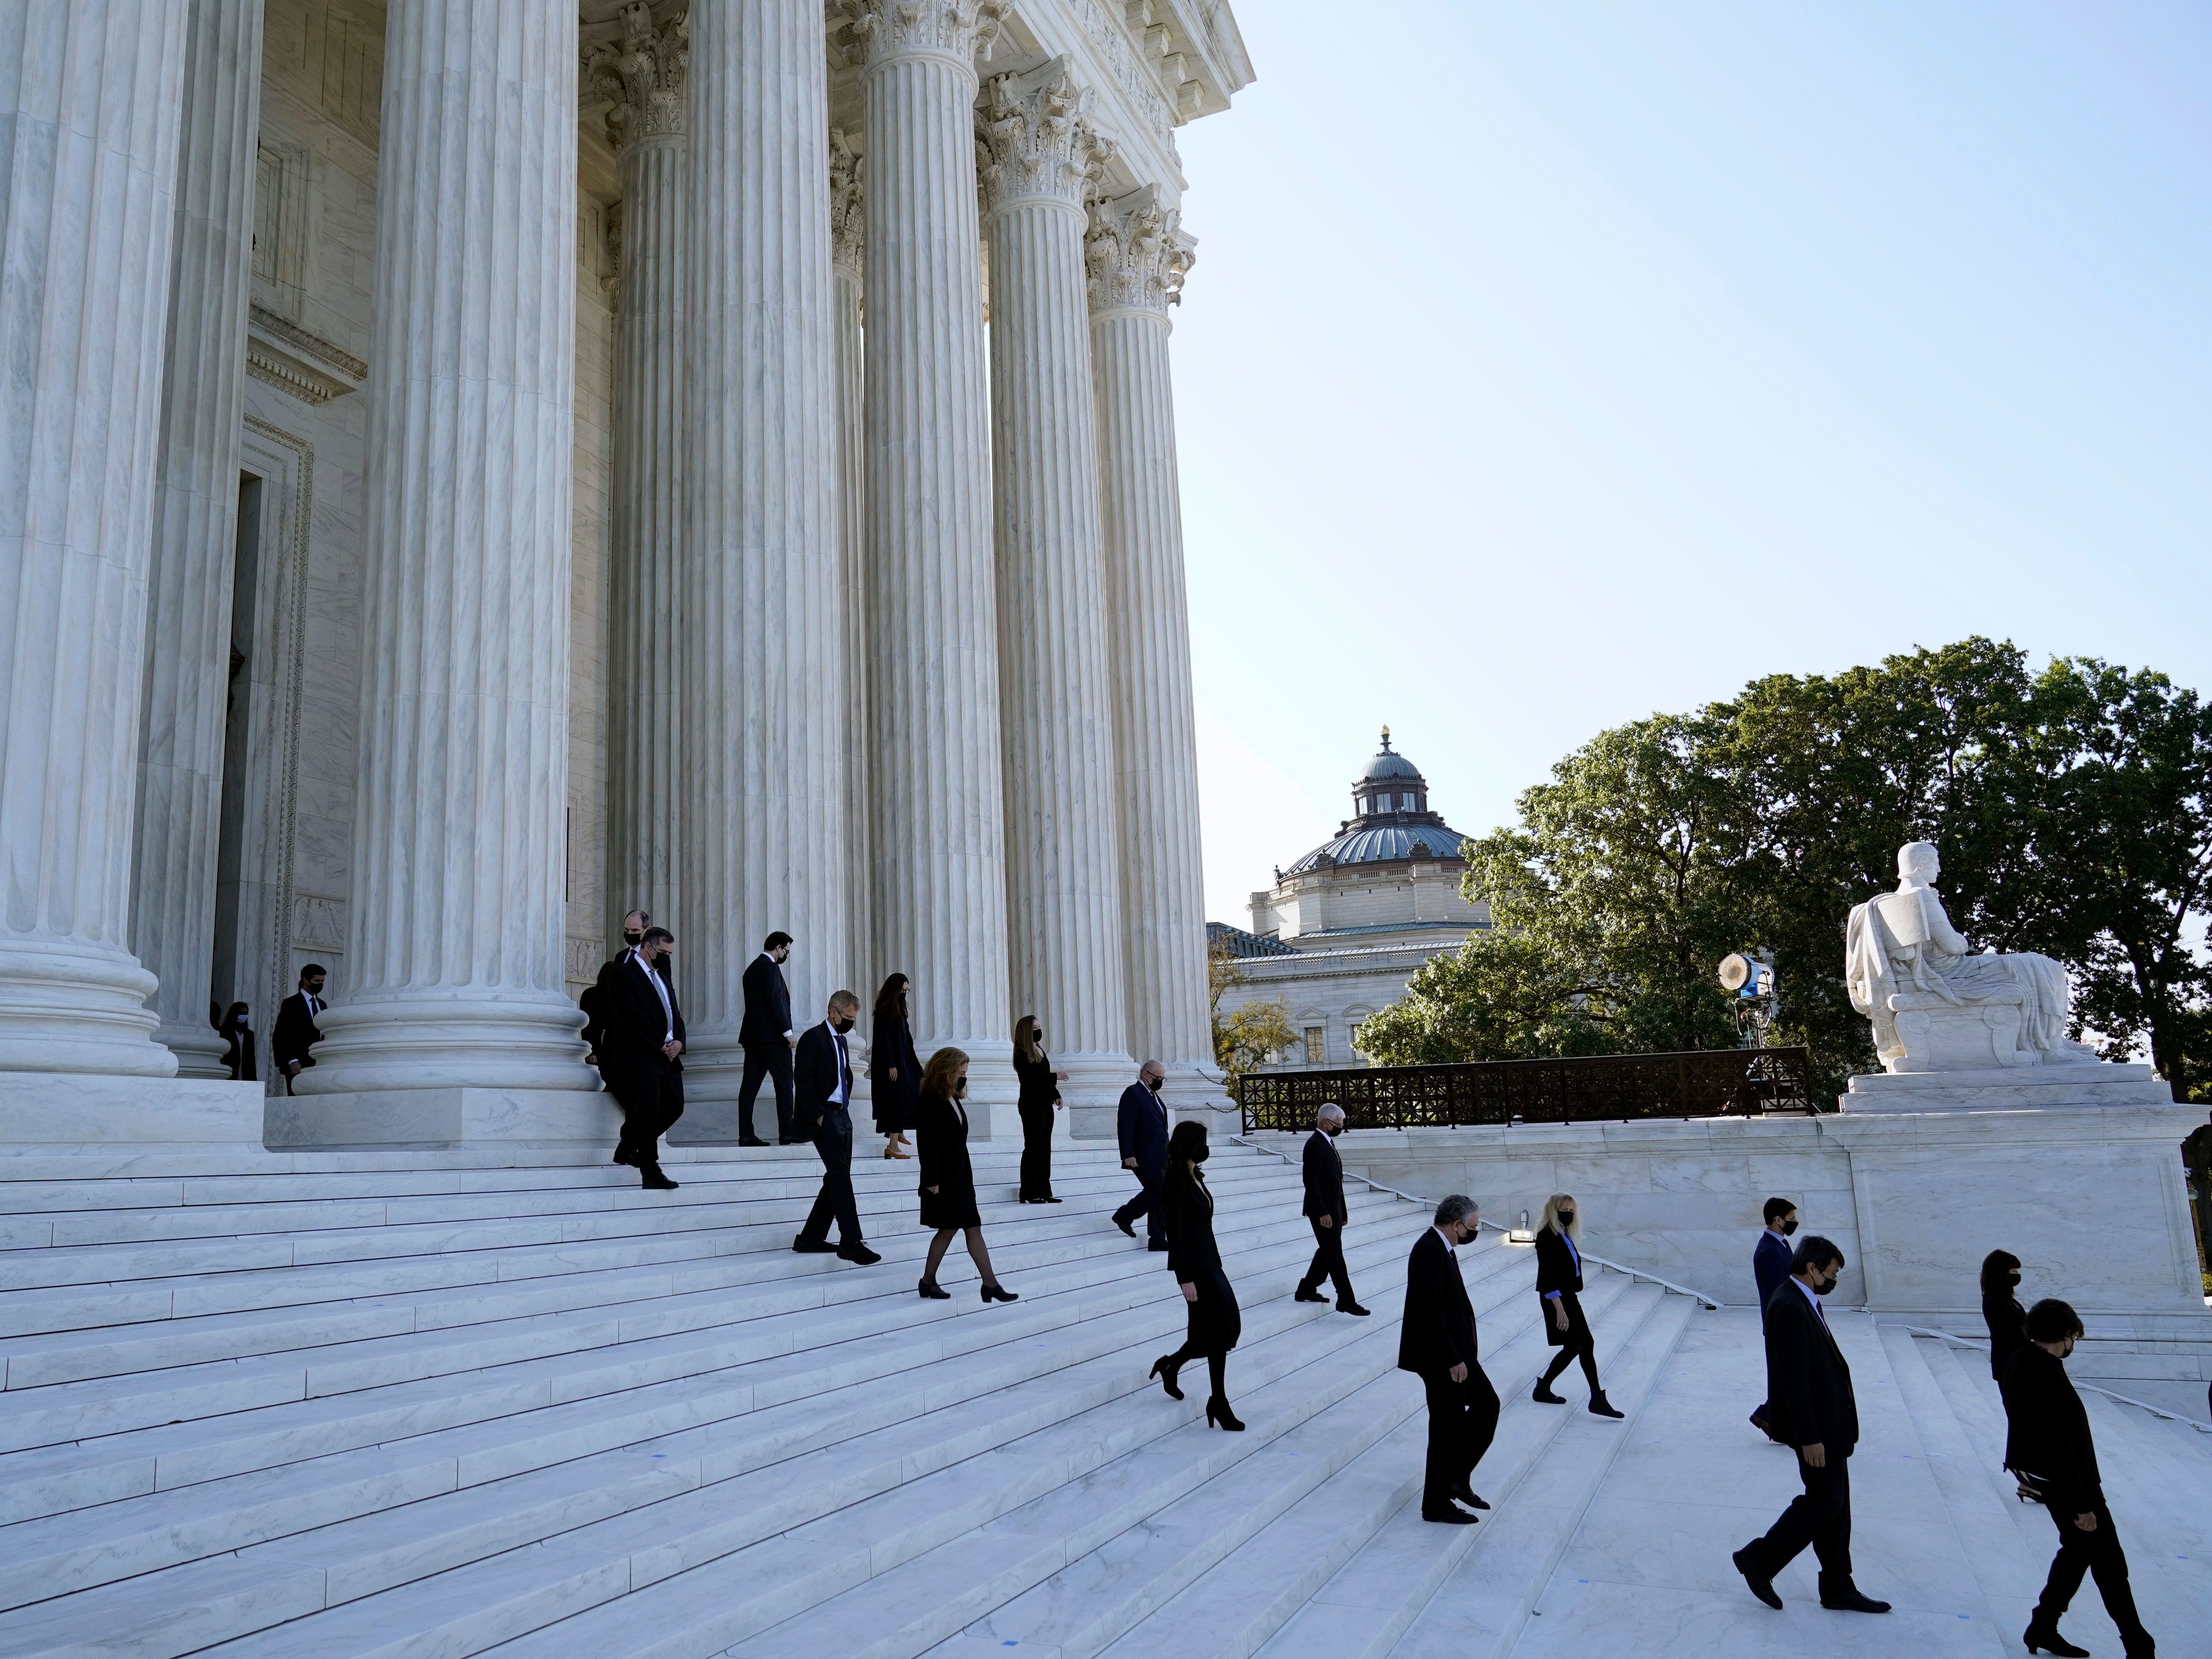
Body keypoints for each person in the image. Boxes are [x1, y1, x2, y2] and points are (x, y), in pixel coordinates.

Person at [1731, 1235, 1890, 1615]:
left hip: (1831, 1426)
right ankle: (1759, 1558)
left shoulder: (1802, 1299)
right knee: (1825, 1502)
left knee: (1837, 1505)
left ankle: (1837, 1584)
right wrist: (1809, 1438)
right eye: (1832, 1272)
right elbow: (1793, 1382)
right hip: (1818, 1431)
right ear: (1813, 1268)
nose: (1834, 1279)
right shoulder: (1788, 1304)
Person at [2002, 1298, 2156, 1659]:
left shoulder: (2024, 1359)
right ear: (2067, 1334)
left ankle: (2042, 1627)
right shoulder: (2044, 1371)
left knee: (2078, 1554)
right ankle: (2139, 1644)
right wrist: (2083, 1505)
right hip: (2074, 1488)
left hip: (2056, 1481)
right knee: (2110, 1565)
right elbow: (2059, 1444)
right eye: (2074, 1337)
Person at [1397, 1194, 1496, 1524]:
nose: (1474, 1231)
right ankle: (1438, 1502)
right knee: (1447, 1428)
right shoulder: (1429, 1250)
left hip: (1456, 1354)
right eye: (1473, 1226)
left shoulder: (1441, 1247)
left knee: (1482, 1409)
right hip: (1443, 1359)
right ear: (1456, 1225)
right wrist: (1453, 1358)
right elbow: (1427, 1312)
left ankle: (1456, 1479)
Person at [1147, 1119, 1245, 1429]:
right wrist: (1184, 1278)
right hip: (1196, 1270)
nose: (1206, 1148)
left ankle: (1171, 1364)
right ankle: (1219, 1401)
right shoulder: (1175, 1180)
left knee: (1221, 1328)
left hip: (1211, 1263)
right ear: (1190, 1144)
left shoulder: (1194, 1175)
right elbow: (1173, 1232)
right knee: (1218, 1332)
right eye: (1202, 1142)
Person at [915, 1047, 1016, 1304]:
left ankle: (986, 1284)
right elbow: (926, 1142)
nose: (963, 1078)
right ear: (946, 1070)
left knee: (970, 1227)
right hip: (943, 1178)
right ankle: (932, 1282)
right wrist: (932, 1179)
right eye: (960, 1072)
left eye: (964, 1073)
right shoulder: (930, 1098)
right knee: (949, 1230)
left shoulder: (952, 1098)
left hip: (960, 1175)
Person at [790, 991, 881, 1265]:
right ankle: (850, 1242)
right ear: (833, 1012)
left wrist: (844, 1107)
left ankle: (810, 1238)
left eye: (854, 1019)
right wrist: (820, 1118)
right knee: (841, 1178)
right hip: (824, 1118)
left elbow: (844, 1077)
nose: (851, 1023)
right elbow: (803, 1081)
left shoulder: (841, 1041)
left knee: (835, 1179)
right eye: (848, 1017)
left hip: (842, 1116)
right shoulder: (812, 1038)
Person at [598, 926, 685, 1189]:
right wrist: (660, 1043)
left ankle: (628, 1146)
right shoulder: (623, 973)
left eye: (670, 953)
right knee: (648, 1110)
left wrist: (679, 1041)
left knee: (675, 1105)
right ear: (648, 947)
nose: (666, 957)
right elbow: (631, 1016)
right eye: (663, 952)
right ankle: (650, 1171)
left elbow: (674, 1012)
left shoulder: (663, 975)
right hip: (642, 1054)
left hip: (668, 1054)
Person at [1530, 1193, 1623, 1417]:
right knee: (1582, 1344)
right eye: (1564, 1210)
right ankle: (1596, 1399)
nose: (1569, 1214)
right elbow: (1547, 1276)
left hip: (1569, 1296)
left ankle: (1544, 1388)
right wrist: (1560, 1310)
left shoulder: (1564, 1234)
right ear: (1553, 1210)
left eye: (1572, 1211)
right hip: (1557, 1298)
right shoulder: (1547, 1236)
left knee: (1577, 1346)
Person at [1293, 1103, 1367, 1314]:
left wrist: (1341, 1212)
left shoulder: (1328, 1142)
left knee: (1327, 1251)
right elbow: (1311, 1182)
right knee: (1334, 1254)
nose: (1341, 1127)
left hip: (1333, 1209)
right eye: (1339, 1124)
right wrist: (1323, 1212)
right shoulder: (1315, 1144)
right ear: (1326, 1123)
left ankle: (1306, 1289)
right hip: (1322, 1211)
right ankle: (1346, 1300)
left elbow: (1336, 1183)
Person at [738, 931, 797, 1146]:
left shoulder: (752, 969)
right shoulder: (770, 968)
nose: (786, 956)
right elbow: (776, 1002)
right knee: (784, 1085)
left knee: (749, 1088)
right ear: (779, 947)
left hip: (753, 1038)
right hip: (773, 1039)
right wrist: (788, 1033)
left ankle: (745, 1134)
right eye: (786, 951)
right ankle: (788, 1133)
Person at [1748, 1196, 1799, 1440]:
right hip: (1780, 1325)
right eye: (1791, 1219)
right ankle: (1767, 1416)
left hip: (1786, 1323)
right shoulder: (1769, 1251)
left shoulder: (1781, 1244)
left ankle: (1771, 1418)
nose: (1795, 1223)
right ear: (1777, 1220)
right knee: (1784, 1376)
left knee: (1787, 1374)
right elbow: (1773, 1295)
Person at [1111, 1059, 1171, 1251]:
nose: (1160, 1081)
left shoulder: (1153, 1096)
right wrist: (1127, 1154)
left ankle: (1157, 1238)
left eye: (1163, 1078)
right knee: (1158, 1189)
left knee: (1161, 1193)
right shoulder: (1133, 1093)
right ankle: (1125, 1215)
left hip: (1160, 1155)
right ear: (1146, 1075)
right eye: (1158, 1078)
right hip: (1142, 1155)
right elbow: (1125, 1126)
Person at [1012, 1015, 1067, 1203]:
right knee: (1033, 1148)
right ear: (1027, 1030)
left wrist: (1056, 1095)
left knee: (1045, 1148)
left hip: (1045, 1105)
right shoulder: (1021, 1052)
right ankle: (1028, 1191)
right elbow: (1030, 1078)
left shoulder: (1040, 1050)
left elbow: (1043, 1077)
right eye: (1035, 1027)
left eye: (1039, 1026)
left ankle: (1044, 1190)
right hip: (1031, 1106)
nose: (1038, 1030)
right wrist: (1054, 1077)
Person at [869, 973, 921, 1160]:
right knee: (896, 1102)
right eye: (902, 990)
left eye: (906, 991)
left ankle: (898, 1133)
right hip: (891, 1067)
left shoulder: (899, 1012)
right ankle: (892, 1145)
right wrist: (891, 1064)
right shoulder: (884, 1013)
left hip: (903, 1063)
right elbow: (884, 1042)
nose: (904, 994)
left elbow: (907, 1041)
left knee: (911, 1093)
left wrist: (917, 1068)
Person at [272, 964, 327, 1094]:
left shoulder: (322, 1005)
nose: (320, 984)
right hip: (298, 1063)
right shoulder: (292, 1003)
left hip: (318, 1063)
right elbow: (283, 1034)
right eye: (317, 981)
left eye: (322, 981)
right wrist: (292, 1060)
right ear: (306, 981)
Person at [1982, 1249, 2027, 1383]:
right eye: (2013, 1271)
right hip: (2012, 1368)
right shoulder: (1997, 1301)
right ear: (2001, 1273)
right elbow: (2002, 1338)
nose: (2017, 1275)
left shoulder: (2004, 1298)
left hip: (2016, 1364)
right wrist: (2012, 1369)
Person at [216, 1002, 257, 1083]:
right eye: (241, 1013)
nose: (244, 1015)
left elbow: (251, 1058)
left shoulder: (249, 1034)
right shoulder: (224, 1032)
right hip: (230, 1074)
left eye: (245, 1013)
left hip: (246, 1075)